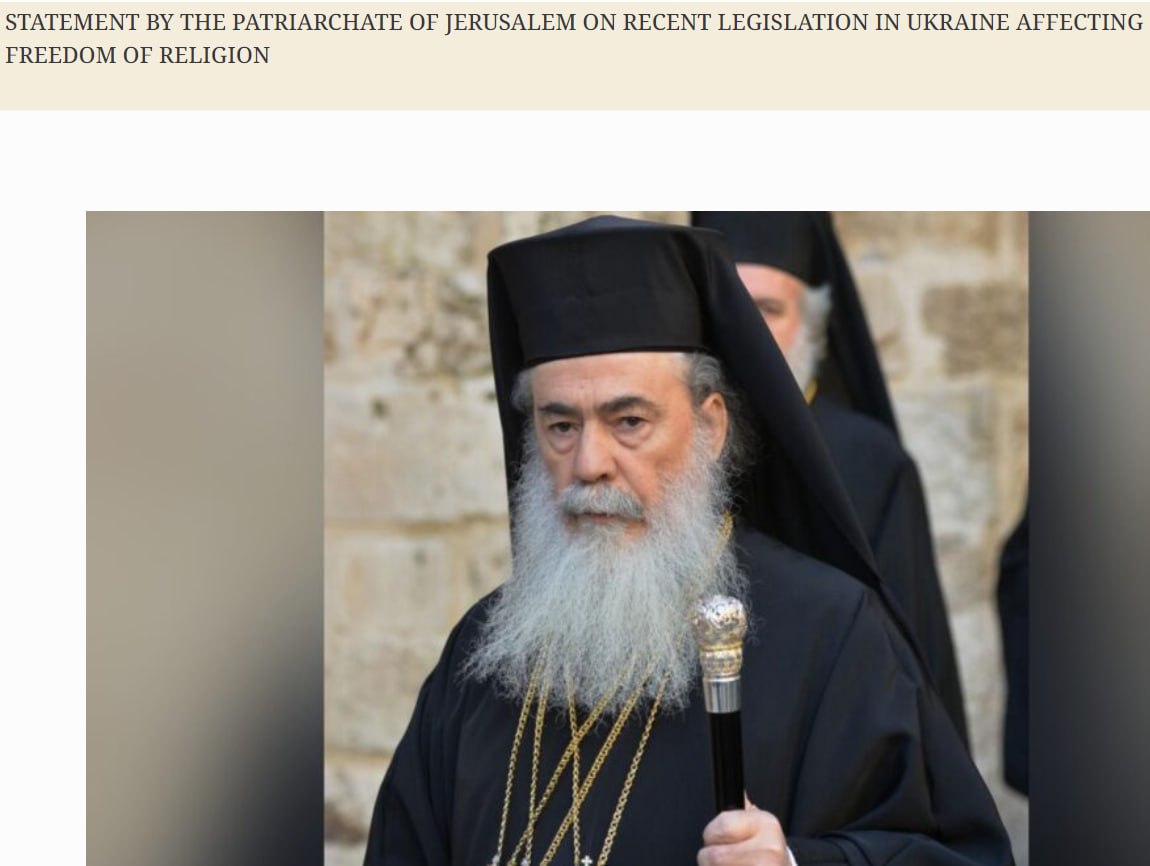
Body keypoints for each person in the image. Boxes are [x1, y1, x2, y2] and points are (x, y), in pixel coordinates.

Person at [364, 216, 1012, 865]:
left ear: (712, 426)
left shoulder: (833, 634)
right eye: (560, 426)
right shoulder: (481, 654)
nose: (589, 463)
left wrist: (795, 863)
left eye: (629, 421)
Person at [691, 211, 968, 744]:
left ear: (812, 328)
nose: (748, 330)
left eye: (768, 309)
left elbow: (908, 658)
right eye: (733, 308)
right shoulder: (678, 453)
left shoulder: (871, 461)